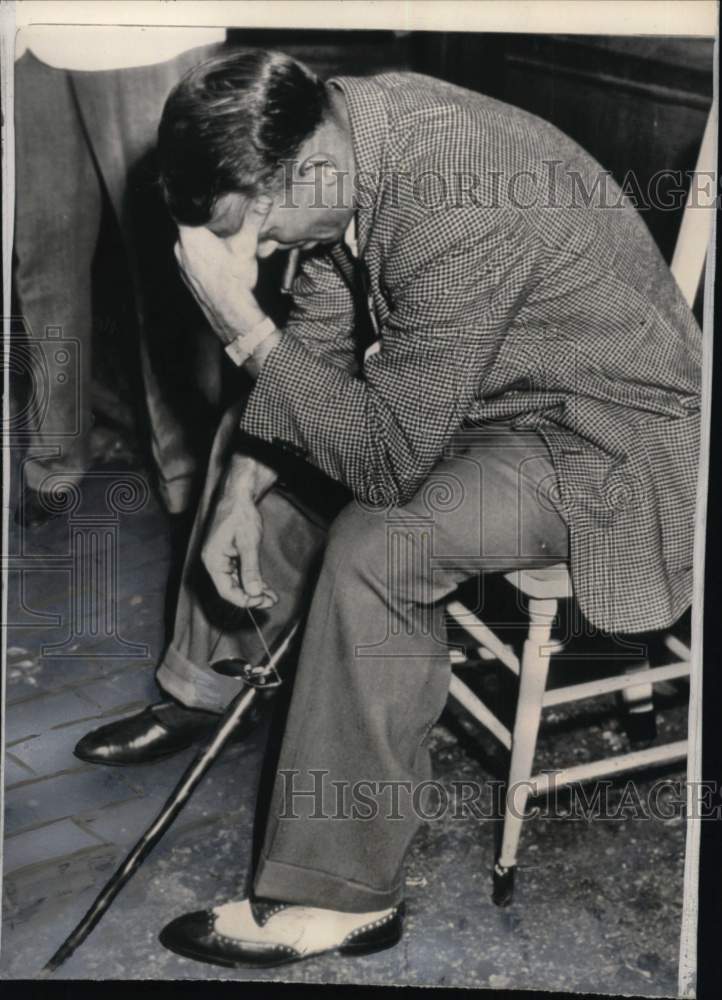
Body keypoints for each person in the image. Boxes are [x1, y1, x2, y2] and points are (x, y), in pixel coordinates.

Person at [75, 49, 701, 967]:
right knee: (255, 430)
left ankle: (339, 900)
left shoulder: (456, 197)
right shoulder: (343, 138)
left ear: (309, 171)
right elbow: (324, 343)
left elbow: (384, 461)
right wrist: (240, 492)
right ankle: (207, 690)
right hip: (485, 391)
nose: (265, 257)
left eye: (264, 235)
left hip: (599, 433)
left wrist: (243, 326)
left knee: (380, 546)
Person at [13, 25, 226, 528]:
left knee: (165, 256)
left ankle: (189, 475)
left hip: (140, 31)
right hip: (30, 37)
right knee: (43, 253)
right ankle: (54, 459)